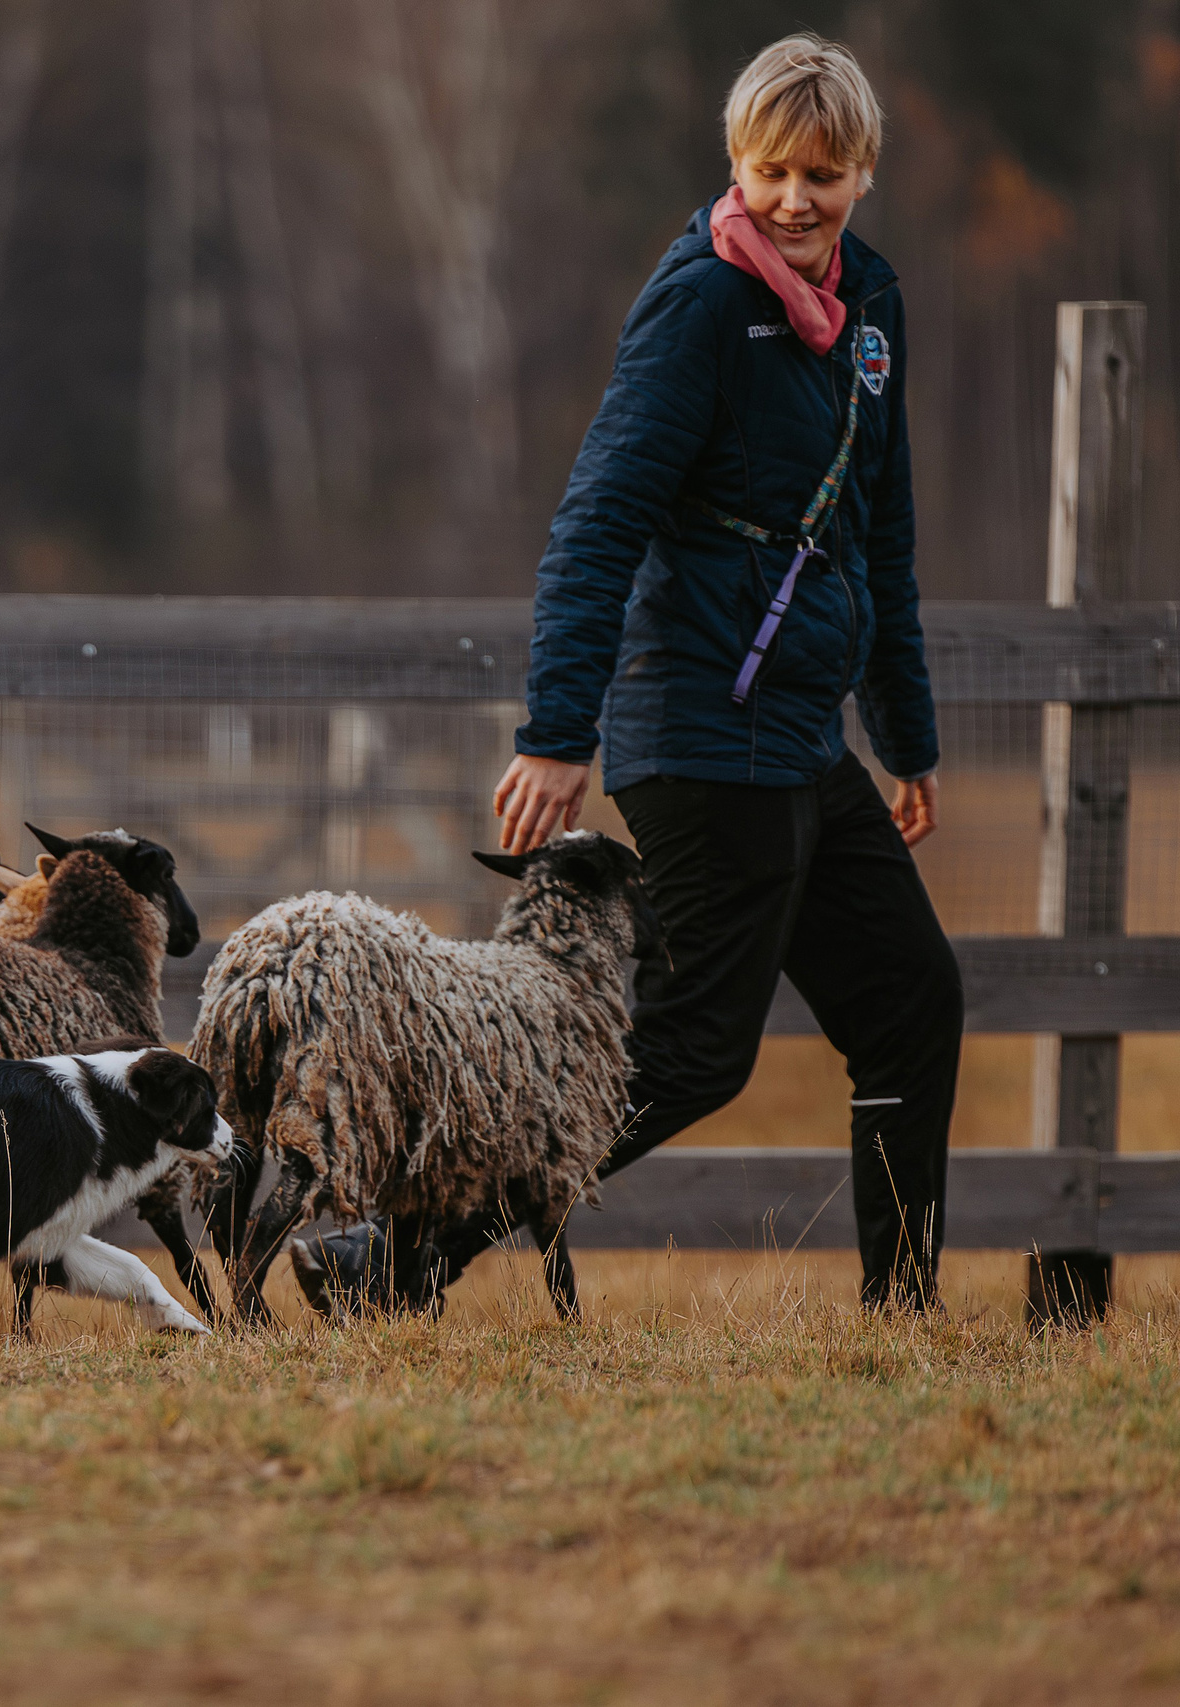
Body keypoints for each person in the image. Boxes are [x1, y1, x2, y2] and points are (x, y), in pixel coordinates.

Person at [297, 34, 958, 1312]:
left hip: (803, 736)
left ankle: (906, 1310)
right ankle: (388, 1259)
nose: (794, 199)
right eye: (771, 170)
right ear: (736, 162)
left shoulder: (868, 307)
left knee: (910, 1000)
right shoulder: (700, 302)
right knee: (695, 1048)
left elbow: (880, 534)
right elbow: (598, 517)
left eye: (822, 173)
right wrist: (558, 729)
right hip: (697, 721)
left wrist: (907, 735)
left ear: (863, 171)